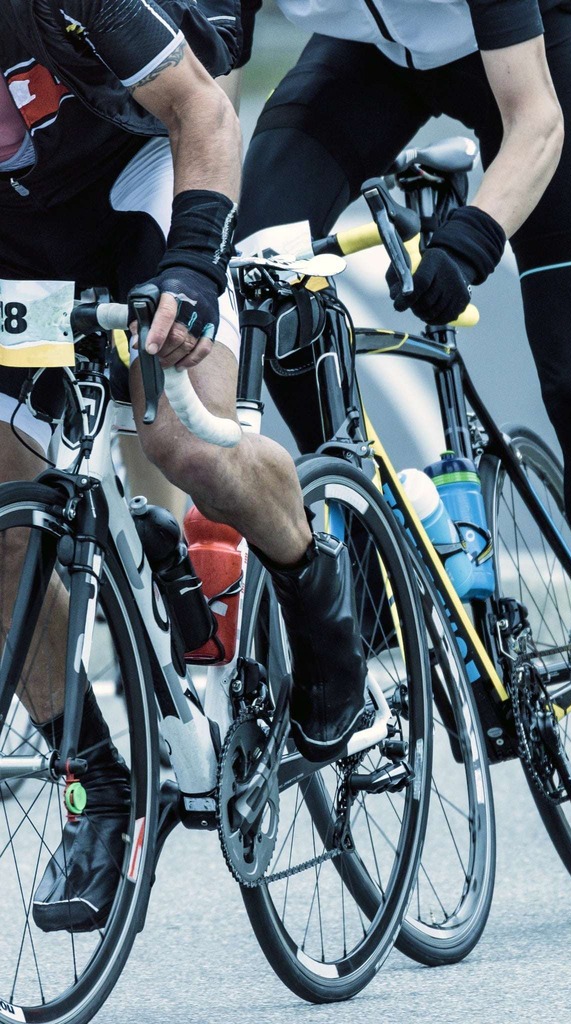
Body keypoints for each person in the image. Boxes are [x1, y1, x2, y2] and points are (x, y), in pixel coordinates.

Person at [236, 0, 571, 846]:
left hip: (521, 62)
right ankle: (366, 544)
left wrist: (473, 238)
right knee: (262, 267)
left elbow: (537, 121)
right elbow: (205, 91)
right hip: (364, 60)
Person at [0, 0, 365, 933]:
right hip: (19, 242)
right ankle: (95, 785)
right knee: (3, 527)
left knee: (185, 437)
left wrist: (197, 268)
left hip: (141, 178)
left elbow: (203, 113)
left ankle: (315, 590)